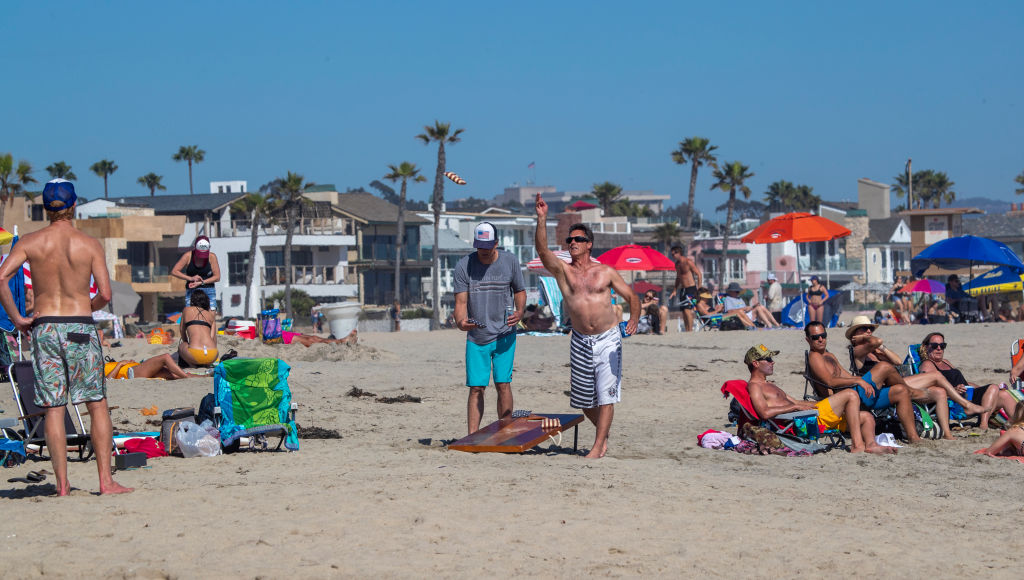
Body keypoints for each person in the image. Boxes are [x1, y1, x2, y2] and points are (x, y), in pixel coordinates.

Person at [0, 179, 132, 495]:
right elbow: (105, 293)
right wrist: (83, 307)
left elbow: (2, 277)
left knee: (54, 408)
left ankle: (61, 485)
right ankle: (105, 481)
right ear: (73, 206)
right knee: (96, 404)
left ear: (46, 209)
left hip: (44, 328)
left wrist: (18, 319)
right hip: (79, 328)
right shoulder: (88, 244)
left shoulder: (30, 242)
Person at [536, 193, 639, 458]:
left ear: (589, 244)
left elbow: (632, 297)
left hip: (608, 338)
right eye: (570, 240)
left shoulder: (605, 271)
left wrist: (635, 319)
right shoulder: (563, 272)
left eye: (578, 239)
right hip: (580, 340)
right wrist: (542, 218)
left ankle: (597, 447)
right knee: (583, 401)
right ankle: (603, 434)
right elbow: (542, 251)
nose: (572, 243)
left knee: (607, 396)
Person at [847, 315, 988, 439]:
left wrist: (882, 350)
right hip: (883, 391)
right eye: (864, 328)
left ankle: (947, 433)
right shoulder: (857, 351)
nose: (869, 331)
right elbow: (877, 341)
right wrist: (865, 340)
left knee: (940, 391)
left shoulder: (876, 352)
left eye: (870, 328)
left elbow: (897, 361)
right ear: (855, 333)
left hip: (897, 384)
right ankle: (966, 404)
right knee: (936, 376)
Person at [744, 344, 895, 454]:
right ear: (756, 364)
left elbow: (796, 402)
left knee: (866, 417)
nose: (772, 362)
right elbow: (764, 412)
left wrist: (819, 404)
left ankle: (870, 445)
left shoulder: (769, 384)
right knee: (850, 394)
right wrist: (794, 408)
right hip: (800, 422)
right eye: (768, 359)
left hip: (807, 415)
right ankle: (857, 445)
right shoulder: (755, 386)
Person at [453, 221, 527, 435]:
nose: (483, 251)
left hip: (505, 335)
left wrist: (520, 311)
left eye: (487, 246)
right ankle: (472, 436)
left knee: (503, 383)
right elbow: (459, 302)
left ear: (496, 243)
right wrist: (461, 322)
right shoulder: (463, 265)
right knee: (476, 387)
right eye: (479, 246)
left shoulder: (510, 261)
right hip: (477, 337)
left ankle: (505, 431)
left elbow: (520, 290)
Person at [804, 321, 921, 443]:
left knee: (900, 391)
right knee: (884, 367)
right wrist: (859, 380)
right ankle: (913, 392)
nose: (821, 339)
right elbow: (830, 381)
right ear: (808, 340)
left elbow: (847, 376)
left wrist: (862, 381)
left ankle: (914, 438)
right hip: (845, 402)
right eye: (815, 337)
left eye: (823, 335)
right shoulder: (815, 357)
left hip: (856, 395)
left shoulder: (829, 355)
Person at [916, 331, 1018, 430]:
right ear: (926, 347)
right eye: (934, 345)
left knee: (1004, 394)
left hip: (968, 395)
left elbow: (964, 383)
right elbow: (928, 390)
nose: (939, 348)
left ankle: (1019, 423)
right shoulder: (927, 365)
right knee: (993, 387)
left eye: (942, 345)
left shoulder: (945, 362)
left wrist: (984, 391)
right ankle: (983, 424)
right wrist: (953, 391)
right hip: (956, 403)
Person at [171, 235, 221, 312]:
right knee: (188, 314)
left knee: (211, 316)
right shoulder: (188, 256)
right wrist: (191, 278)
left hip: (209, 290)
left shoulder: (212, 257)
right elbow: (174, 271)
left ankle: (212, 323)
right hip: (192, 290)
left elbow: (217, 277)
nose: (201, 257)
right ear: (195, 247)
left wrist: (202, 282)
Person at [178, 289, 218, 367]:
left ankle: (192, 365)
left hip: (195, 353)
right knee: (211, 341)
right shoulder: (211, 316)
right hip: (212, 354)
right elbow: (212, 337)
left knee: (181, 346)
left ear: (192, 301)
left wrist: (187, 343)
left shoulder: (186, 310)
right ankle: (207, 364)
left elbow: (181, 330)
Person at [668, 245, 702, 332]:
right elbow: (678, 278)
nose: (673, 256)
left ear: (679, 253)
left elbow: (699, 274)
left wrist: (699, 288)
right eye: (672, 255)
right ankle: (687, 330)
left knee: (687, 310)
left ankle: (690, 330)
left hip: (691, 288)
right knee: (683, 311)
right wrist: (675, 290)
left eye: (674, 254)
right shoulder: (677, 265)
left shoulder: (688, 262)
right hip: (683, 290)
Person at [104, 353, 204, 380]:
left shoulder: (101, 365)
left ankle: (205, 377)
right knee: (165, 357)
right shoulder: (96, 371)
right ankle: (186, 377)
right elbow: (108, 379)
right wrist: (120, 364)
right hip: (131, 373)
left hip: (135, 369)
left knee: (175, 375)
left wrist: (129, 362)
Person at [282, 329, 357, 347]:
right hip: (279, 337)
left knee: (313, 337)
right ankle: (341, 341)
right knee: (310, 340)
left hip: (279, 332)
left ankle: (340, 340)